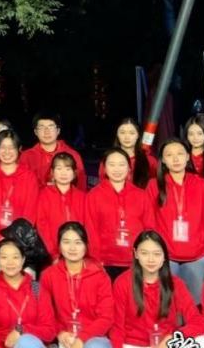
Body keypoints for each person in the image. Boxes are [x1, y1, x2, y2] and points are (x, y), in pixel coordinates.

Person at [40, 223, 118, 348]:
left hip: (92, 338)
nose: (72, 248)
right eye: (66, 242)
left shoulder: (99, 275)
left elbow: (107, 316)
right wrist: (60, 332)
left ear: (86, 246)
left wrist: (82, 338)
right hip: (65, 341)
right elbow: (46, 314)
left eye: (78, 242)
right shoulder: (49, 275)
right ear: (59, 245)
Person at [149, 139, 204, 305]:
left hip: (197, 257)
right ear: (163, 160)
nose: (175, 159)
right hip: (165, 257)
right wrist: (153, 253)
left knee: (194, 307)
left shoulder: (201, 185)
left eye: (180, 154)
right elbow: (149, 223)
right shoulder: (154, 185)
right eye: (169, 155)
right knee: (167, 306)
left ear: (187, 157)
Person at [86, 149, 154, 281]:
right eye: (112, 164)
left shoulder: (141, 195)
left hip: (135, 261)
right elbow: (91, 230)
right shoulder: (94, 195)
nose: (117, 169)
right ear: (104, 168)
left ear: (129, 168)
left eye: (122, 164)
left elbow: (149, 228)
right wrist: (96, 261)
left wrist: (145, 256)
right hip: (105, 262)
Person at [0, 130, 40, 278]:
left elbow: (29, 213)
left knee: (27, 286)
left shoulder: (29, 176)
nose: (7, 152)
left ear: (19, 149)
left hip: (22, 242)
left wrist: (15, 240)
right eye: (2, 147)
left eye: (11, 147)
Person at [36, 152, 87, 261]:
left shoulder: (82, 197)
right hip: (51, 252)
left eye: (68, 169)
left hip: (77, 251)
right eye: (59, 169)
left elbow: (86, 226)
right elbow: (42, 225)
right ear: (52, 172)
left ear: (74, 173)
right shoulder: (44, 195)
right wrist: (53, 253)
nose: (63, 173)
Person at [20, 113, 86, 189]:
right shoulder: (26, 157)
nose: (46, 131)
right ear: (36, 132)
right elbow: (22, 186)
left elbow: (81, 186)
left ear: (58, 131)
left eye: (51, 127)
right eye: (41, 127)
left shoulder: (73, 155)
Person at [98, 118, 156, 187]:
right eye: (122, 132)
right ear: (117, 135)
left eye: (132, 133)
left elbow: (155, 186)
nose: (127, 137)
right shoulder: (108, 159)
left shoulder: (150, 160)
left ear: (138, 135)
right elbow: (103, 185)